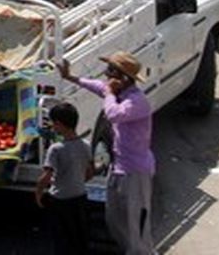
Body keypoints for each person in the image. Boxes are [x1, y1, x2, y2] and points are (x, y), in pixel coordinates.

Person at [59, 53, 156, 255]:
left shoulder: (136, 102)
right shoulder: (116, 93)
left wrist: (110, 93)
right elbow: (96, 86)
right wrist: (71, 77)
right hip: (118, 167)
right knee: (115, 219)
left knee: (133, 222)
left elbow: (113, 114)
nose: (106, 75)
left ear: (124, 78)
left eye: (111, 71)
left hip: (135, 172)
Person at [36, 102, 93, 255]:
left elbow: (46, 176)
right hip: (80, 196)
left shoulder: (56, 149)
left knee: (61, 239)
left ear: (59, 124)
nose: (52, 127)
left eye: (53, 123)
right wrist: (79, 182)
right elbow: (89, 171)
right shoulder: (86, 145)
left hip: (60, 200)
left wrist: (38, 193)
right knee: (80, 237)